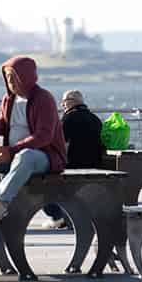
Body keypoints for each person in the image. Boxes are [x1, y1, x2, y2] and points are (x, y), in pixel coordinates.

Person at [0, 56, 67, 221]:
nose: (9, 80)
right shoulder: (8, 100)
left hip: (43, 157)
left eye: (13, 76)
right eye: (7, 77)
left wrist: (11, 151)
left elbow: (44, 136)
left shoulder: (43, 98)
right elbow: (0, 126)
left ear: (25, 76)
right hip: (11, 156)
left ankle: (1, 202)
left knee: (25, 155)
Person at [42, 90, 103, 227]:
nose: (62, 105)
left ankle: (59, 216)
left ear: (71, 102)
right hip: (95, 166)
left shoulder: (68, 119)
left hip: (73, 166)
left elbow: (59, 144)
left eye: (64, 101)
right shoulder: (95, 119)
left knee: (41, 185)